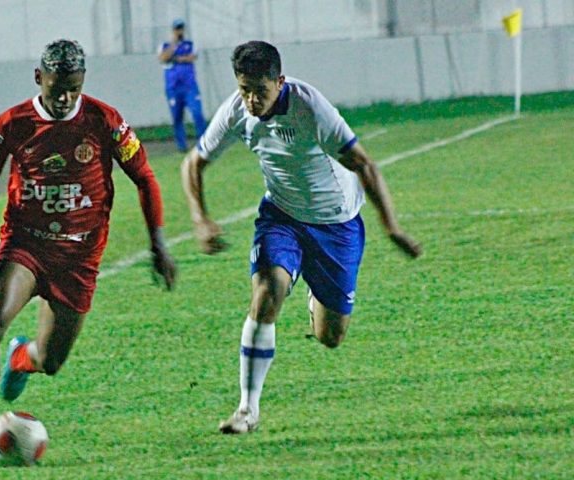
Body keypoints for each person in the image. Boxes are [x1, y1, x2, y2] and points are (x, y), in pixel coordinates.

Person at [0, 39, 177, 468]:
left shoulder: (104, 121)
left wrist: (159, 245)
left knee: (52, 361)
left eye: (74, 89)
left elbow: (145, 179)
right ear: (38, 78)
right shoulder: (12, 124)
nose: (65, 98)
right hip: (25, 245)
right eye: (57, 88)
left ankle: (22, 358)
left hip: (79, 258)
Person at [180, 41, 422, 434]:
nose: (252, 100)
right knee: (267, 292)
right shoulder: (237, 111)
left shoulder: (310, 108)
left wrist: (392, 227)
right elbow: (193, 164)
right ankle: (247, 409)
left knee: (331, 337)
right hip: (282, 216)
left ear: (279, 81)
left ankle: (314, 290)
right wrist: (200, 219)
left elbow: (363, 164)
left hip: (336, 222)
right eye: (244, 89)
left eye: (260, 90)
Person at [158, 18, 207, 152]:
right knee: (177, 117)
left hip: (189, 86)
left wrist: (176, 58)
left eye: (181, 28)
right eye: (177, 29)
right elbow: (163, 58)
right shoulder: (165, 46)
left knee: (197, 113)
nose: (179, 31)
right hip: (173, 88)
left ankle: (204, 142)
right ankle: (182, 146)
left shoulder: (189, 44)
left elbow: (192, 57)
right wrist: (174, 45)